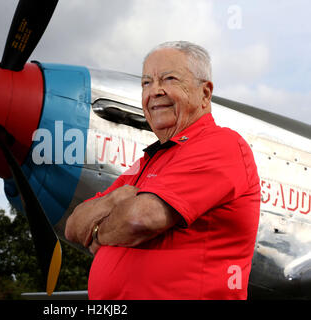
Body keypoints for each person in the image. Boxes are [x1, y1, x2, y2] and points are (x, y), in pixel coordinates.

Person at [64, 41, 260, 300]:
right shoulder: (149, 159)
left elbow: (139, 219)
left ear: (205, 93)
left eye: (169, 79)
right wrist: (115, 199)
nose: (154, 91)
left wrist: (98, 231)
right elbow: (73, 226)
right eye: (146, 83)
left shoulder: (221, 144)